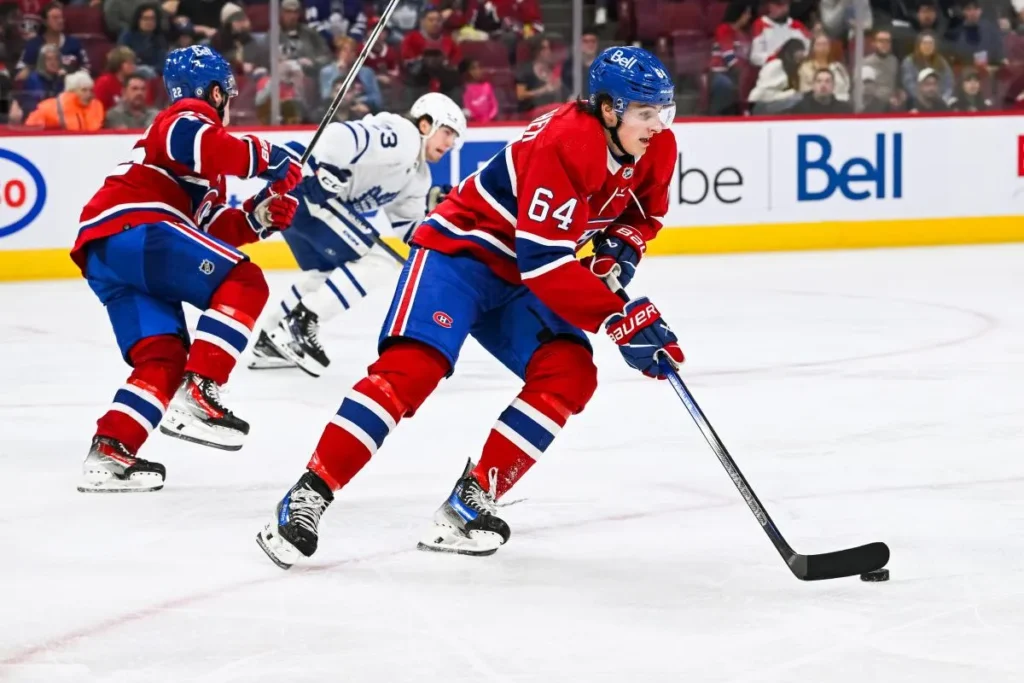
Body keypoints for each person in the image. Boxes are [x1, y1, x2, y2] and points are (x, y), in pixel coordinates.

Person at [255, 46, 684, 568]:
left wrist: (621, 249)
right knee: (411, 371)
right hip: (461, 255)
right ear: (608, 108)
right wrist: (618, 318)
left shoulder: (657, 147)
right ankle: (307, 495)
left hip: (521, 274)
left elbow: (645, 216)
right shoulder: (565, 139)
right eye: (645, 113)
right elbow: (544, 261)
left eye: (664, 111)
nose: (658, 125)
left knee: (569, 373)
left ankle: (470, 501)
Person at [71, 45, 303, 493]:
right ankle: (201, 390)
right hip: (138, 228)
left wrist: (260, 214)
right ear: (215, 93)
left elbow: (211, 230)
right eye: (227, 94)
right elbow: (202, 141)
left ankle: (110, 451)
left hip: (110, 253)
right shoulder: (185, 116)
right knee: (244, 280)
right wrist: (269, 157)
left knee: (164, 357)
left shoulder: (199, 168)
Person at [248, 92, 464, 376]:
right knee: (380, 260)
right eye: (446, 132)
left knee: (327, 273)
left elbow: (409, 231)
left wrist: (438, 214)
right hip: (306, 190)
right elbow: (340, 135)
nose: (449, 143)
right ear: (425, 124)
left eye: (454, 137)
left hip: (305, 205)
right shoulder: (403, 135)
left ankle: (269, 338)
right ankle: (303, 321)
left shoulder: (419, 176)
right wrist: (320, 166)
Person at [16, 2, 88, 80]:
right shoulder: (33, 45)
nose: (60, 21)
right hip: (42, 87)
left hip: (70, 86)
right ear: (45, 21)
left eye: (61, 17)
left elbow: (86, 66)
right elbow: (20, 69)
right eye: (55, 18)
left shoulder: (74, 43)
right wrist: (28, 70)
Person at [708, 0, 754, 116]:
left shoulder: (745, 35)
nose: (749, 16)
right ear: (739, 14)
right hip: (721, 74)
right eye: (746, 13)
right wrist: (743, 75)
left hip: (739, 75)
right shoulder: (724, 29)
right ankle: (718, 116)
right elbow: (729, 57)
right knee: (725, 85)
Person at [25, 69, 104, 130]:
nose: (89, 94)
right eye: (84, 90)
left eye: (90, 90)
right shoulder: (49, 108)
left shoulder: (96, 107)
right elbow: (31, 128)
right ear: (71, 91)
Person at [749, 37, 806, 113]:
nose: (799, 60)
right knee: (797, 99)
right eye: (797, 57)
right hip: (761, 104)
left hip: (777, 103)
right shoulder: (775, 65)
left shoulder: (795, 69)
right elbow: (763, 94)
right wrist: (791, 93)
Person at [750, 0, 810, 67]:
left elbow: (810, 49)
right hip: (773, 70)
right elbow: (754, 57)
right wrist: (775, 56)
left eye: (781, 5)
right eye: (774, 4)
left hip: (797, 68)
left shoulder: (798, 25)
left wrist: (801, 55)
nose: (775, 8)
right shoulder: (760, 24)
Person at [515, 34, 563, 114]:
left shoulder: (552, 68)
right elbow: (520, 95)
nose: (548, 51)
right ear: (536, 51)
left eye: (549, 48)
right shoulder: (525, 70)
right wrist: (543, 90)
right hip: (530, 113)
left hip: (551, 112)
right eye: (544, 48)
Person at [118, 3, 170, 75]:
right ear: (138, 20)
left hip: (154, 74)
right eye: (145, 18)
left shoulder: (159, 37)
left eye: (152, 19)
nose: (149, 22)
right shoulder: (127, 36)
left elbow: (162, 61)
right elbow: (122, 59)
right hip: (132, 73)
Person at [901, 31, 953, 100]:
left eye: (930, 43)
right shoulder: (909, 61)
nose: (928, 46)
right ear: (918, 45)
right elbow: (909, 84)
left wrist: (943, 99)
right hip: (916, 100)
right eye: (925, 43)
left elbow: (949, 83)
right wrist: (923, 99)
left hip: (939, 100)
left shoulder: (942, 62)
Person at [798, 34, 851, 100]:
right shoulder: (805, 68)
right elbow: (805, 92)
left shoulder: (838, 67)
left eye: (825, 44)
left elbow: (847, 86)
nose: (823, 47)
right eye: (819, 44)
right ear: (813, 47)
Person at [94, 46, 138, 111]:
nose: (133, 66)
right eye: (129, 63)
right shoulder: (104, 82)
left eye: (133, 63)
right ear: (118, 63)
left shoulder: (135, 82)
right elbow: (98, 108)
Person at [461, 57, 498, 121]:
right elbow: (467, 106)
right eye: (473, 69)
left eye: (480, 68)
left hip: (489, 123)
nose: (477, 71)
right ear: (467, 71)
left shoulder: (487, 86)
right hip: (474, 124)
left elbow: (494, 106)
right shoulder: (465, 88)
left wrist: (488, 118)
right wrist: (476, 119)